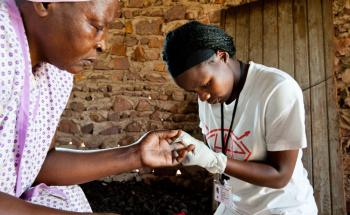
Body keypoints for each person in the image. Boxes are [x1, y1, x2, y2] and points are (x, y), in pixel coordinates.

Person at [0, 0, 193, 214]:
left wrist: (134, 155)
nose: (104, 44)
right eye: (97, 26)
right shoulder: (3, 46)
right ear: (45, 3)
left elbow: (36, 165)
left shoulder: (55, 72)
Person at [164, 21, 318, 215]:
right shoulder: (209, 97)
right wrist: (188, 149)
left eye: (204, 85)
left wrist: (214, 161)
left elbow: (280, 175)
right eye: (193, 91)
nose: (202, 97)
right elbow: (217, 151)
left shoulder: (277, 89)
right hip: (236, 206)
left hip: (281, 208)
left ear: (222, 56)